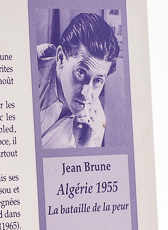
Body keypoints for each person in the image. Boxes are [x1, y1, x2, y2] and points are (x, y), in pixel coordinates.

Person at [38, 12, 120, 149]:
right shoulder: (29, 74)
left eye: (98, 81)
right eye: (81, 73)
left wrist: (85, 147)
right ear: (61, 58)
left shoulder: (96, 121)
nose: (86, 94)